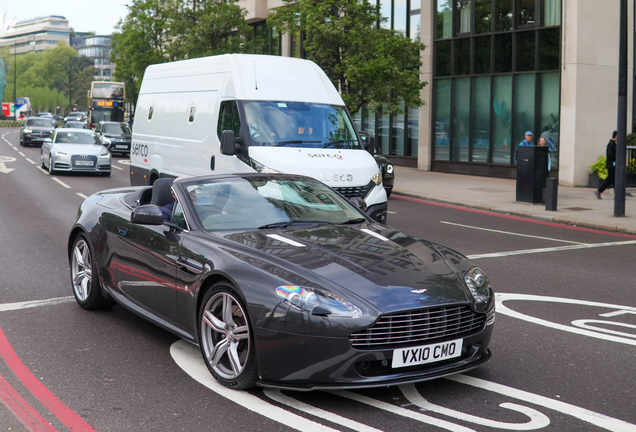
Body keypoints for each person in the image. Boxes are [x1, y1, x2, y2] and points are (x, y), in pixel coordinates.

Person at [595, 131, 617, 199]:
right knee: (610, 179)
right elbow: (610, 154)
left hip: (613, 165)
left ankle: (617, 194)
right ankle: (599, 190)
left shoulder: (614, 144)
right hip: (611, 165)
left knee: (615, 180)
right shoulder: (611, 144)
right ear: (616, 136)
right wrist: (617, 155)